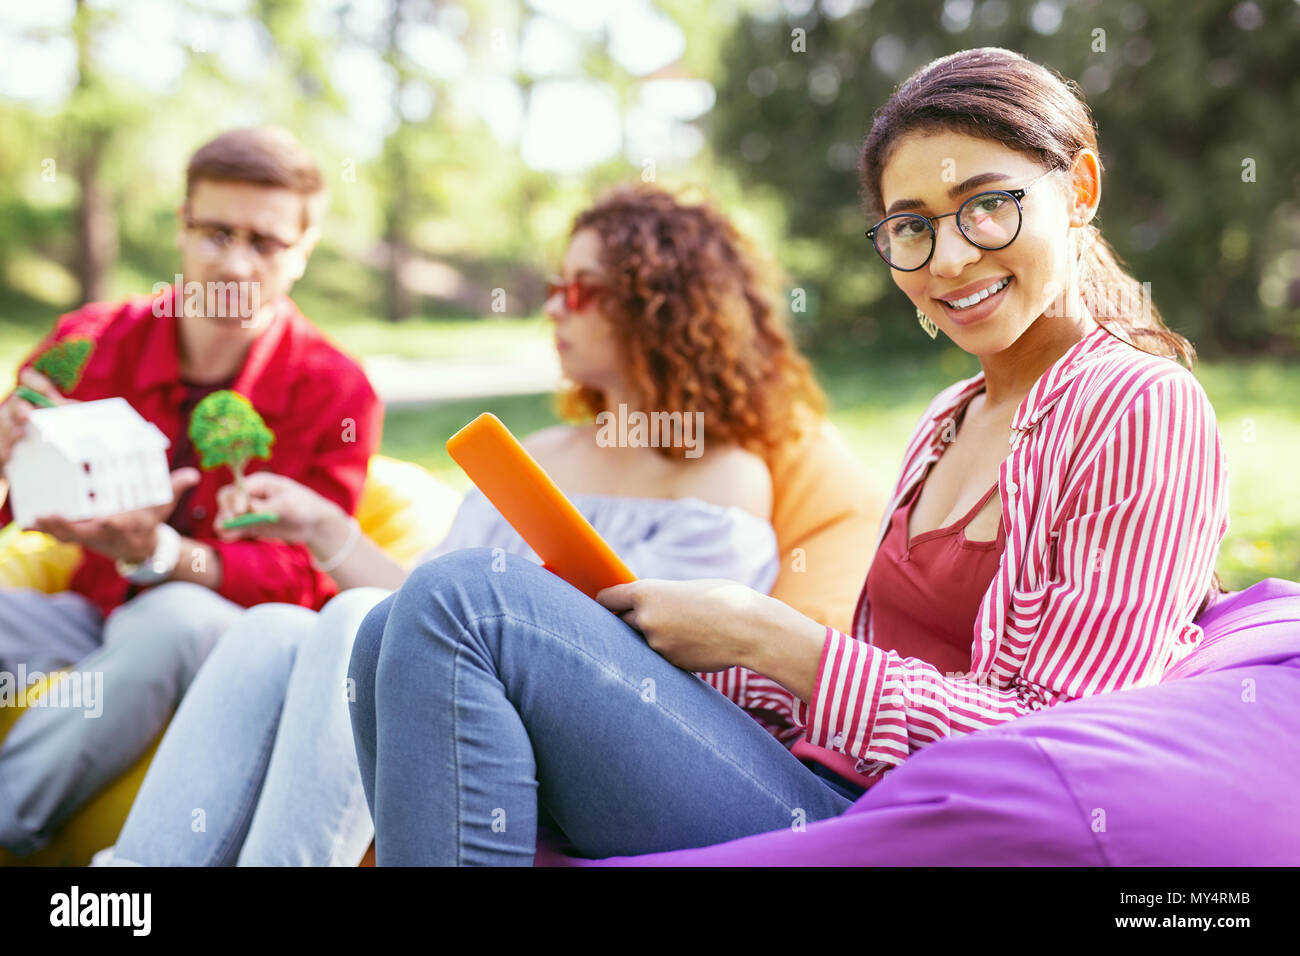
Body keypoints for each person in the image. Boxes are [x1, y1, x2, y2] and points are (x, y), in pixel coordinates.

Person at [348, 48, 1229, 865]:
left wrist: (779, 639)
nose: (949, 257)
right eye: (910, 226)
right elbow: (875, 683)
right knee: (392, 630)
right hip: (819, 784)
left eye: (988, 206)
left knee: (467, 601)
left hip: (922, 833)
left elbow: (1056, 747)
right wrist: (668, 642)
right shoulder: (952, 416)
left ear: (1079, 188)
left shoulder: (1141, 407)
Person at [99, 184, 827, 866]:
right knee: (273, 628)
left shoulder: (721, 471)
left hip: (605, 729)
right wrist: (320, 525)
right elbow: (425, 604)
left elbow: (683, 662)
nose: (555, 310)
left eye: (582, 291)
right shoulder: (534, 456)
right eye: (553, 289)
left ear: (657, 305)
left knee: (352, 615)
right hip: (455, 681)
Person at [0, 127, 381, 857]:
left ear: (302, 252)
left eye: (265, 243)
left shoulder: (334, 387)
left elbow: (297, 578)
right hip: (93, 614)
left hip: (235, 641)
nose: (235, 263)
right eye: (215, 233)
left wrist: (163, 552)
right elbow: (17, 496)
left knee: (174, 616)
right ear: (181, 227)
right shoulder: (92, 340)